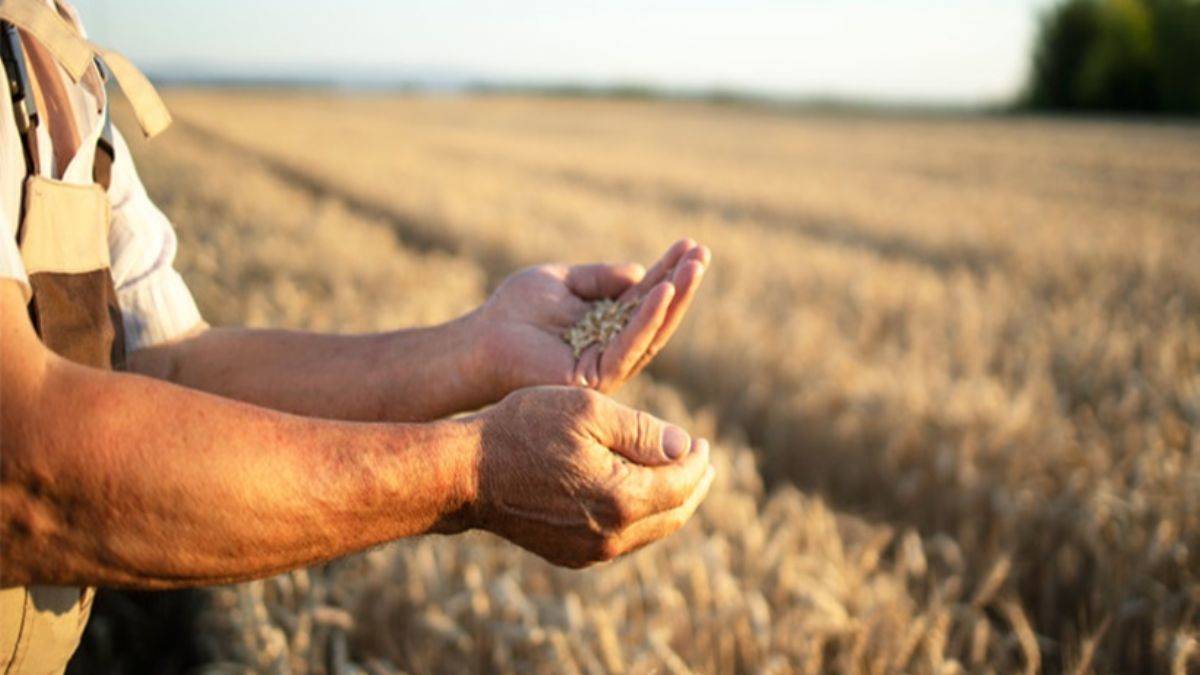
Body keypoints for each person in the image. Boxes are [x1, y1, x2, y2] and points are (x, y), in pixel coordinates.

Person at [0, 1, 714, 672]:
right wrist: (473, 473)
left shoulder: (52, 42)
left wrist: (477, 347)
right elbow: (21, 463)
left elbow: (164, 363)